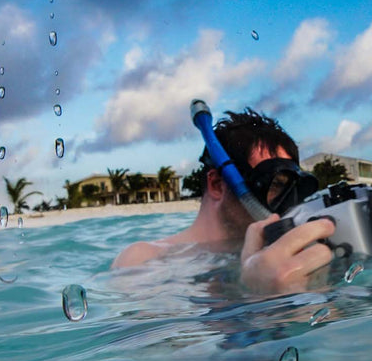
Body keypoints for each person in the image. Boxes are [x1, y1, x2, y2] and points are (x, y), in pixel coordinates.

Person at [112, 109, 336, 294]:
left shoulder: (288, 253)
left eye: (294, 188)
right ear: (218, 185)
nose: (289, 202)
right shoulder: (143, 259)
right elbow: (148, 346)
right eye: (276, 183)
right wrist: (258, 299)